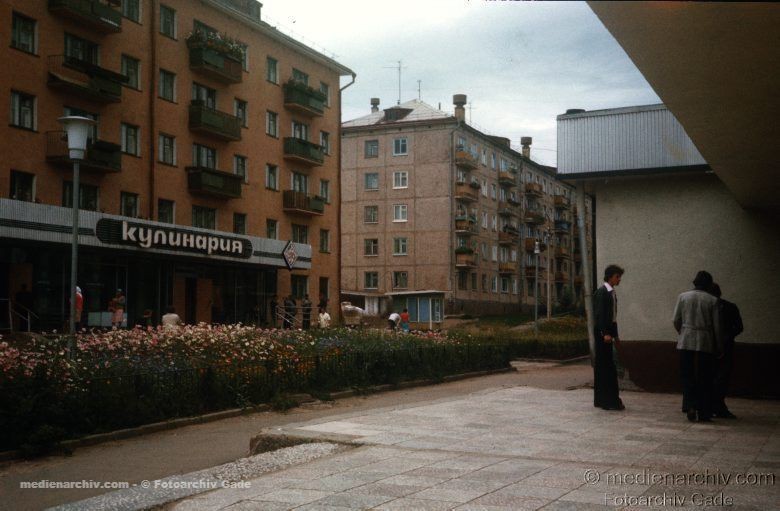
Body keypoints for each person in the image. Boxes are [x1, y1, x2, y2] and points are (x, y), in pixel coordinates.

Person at [673, 271, 723, 422]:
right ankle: (703, 410)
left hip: (686, 340)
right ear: (708, 284)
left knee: (687, 375)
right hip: (705, 341)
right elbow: (717, 327)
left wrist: (683, 332)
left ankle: (690, 405)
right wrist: (719, 346)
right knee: (705, 376)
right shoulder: (713, 300)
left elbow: (676, 319)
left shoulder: (683, 296)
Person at [593, 264, 625, 411]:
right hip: (602, 336)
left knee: (607, 367)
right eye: (617, 277)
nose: (619, 280)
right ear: (611, 276)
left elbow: (613, 317)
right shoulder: (602, 292)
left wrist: (615, 335)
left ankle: (606, 399)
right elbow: (599, 316)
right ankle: (606, 400)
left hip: (608, 334)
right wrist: (604, 333)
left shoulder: (611, 293)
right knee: (605, 368)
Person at [709, 283, 743, 419]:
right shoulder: (730, 307)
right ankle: (718, 405)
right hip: (725, 346)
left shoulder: (709, 307)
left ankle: (714, 404)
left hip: (711, 347)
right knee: (722, 377)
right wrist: (728, 336)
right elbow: (739, 327)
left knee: (714, 376)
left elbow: (739, 327)